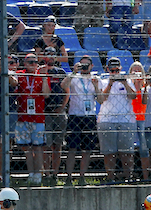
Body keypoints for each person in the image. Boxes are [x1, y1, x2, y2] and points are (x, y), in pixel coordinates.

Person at [62, 54, 101, 185]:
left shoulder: (95, 79)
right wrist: (74, 71)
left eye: (86, 65)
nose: (84, 67)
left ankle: (82, 177)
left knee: (87, 149)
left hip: (89, 116)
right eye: (82, 65)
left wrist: (96, 86)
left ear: (92, 66)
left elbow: (100, 99)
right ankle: (68, 177)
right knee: (72, 148)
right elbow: (63, 85)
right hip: (75, 115)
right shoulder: (74, 77)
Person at [98, 57, 137, 182]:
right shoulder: (103, 81)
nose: (115, 73)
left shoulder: (128, 81)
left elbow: (133, 96)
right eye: (112, 70)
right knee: (109, 152)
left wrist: (124, 83)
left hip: (126, 120)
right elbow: (102, 98)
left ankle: (128, 177)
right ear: (107, 69)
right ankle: (110, 177)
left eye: (117, 70)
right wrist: (110, 83)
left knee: (127, 151)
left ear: (120, 69)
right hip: (107, 119)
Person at [15, 53, 51, 185]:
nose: (33, 64)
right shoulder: (20, 74)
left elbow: (46, 94)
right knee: (27, 149)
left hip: (38, 117)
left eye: (35, 62)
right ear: (25, 64)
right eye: (30, 62)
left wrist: (43, 76)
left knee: (38, 147)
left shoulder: (41, 75)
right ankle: (31, 173)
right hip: (23, 116)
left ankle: (38, 174)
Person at [42, 47, 68, 185]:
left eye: (53, 54)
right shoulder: (40, 72)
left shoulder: (61, 72)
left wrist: (62, 107)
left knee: (57, 145)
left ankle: (55, 173)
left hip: (59, 112)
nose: (50, 57)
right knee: (46, 145)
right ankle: (46, 173)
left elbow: (67, 91)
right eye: (48, 54)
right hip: (45, 112)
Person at [129, 62, 150, 180]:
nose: (136, 72)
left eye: (138, 70)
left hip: (142, 119)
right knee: (130, 148)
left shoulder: (145, 86)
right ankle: (130, 175)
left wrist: (140, 85)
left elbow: (144, 102)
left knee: (144, 148)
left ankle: (146, 176)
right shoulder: (127, 85)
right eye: (134, 70)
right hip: (130, 118)